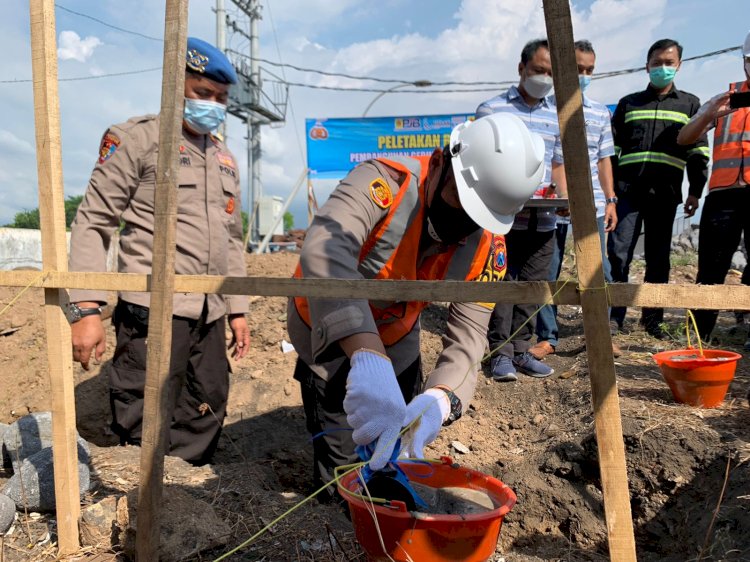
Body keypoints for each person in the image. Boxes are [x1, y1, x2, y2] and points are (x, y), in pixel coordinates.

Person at [288, 112, 545, 501]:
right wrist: (366, 356)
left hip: (398, 335)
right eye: (459, 199)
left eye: (477, 215)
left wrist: (443, 395)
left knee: (394, 454)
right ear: (441, 162)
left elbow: (470, 332)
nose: (462, 220)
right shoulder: (383, 183)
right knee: (344, 467)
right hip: (327, 325)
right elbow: (325, 249)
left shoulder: (488, 244)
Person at [68, 37, 250, 466]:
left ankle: (186, 495)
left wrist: (238, 307)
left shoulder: (223, 157)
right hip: (152, 308)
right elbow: (93, 222)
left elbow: (232, 239)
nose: (212, 105)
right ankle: (143, 501)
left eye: (221, 98)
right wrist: (86, 309)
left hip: (209, 311)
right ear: (175, 86)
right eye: (203, 94)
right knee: (145, 408)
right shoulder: (136, 139)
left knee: (207, 402)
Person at [476, 39, 566, 381]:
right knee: (503, 281)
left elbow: (557, 166)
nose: (543, 78)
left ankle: (521, 350)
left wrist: (563, 196)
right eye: (538, 70)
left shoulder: (557, 115)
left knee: (532, 285)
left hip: (543, 218)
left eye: (550, 73)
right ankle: (499, 353)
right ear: (521, 68)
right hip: (501, 219)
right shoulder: (491, 110)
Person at [607, 38, 709, 339]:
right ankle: (615, 318)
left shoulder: (690, 104)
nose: (662, 68)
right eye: (657, 63)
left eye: (669, 63)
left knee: (658, 258)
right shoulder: (629, 104)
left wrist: (695, 191)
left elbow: (699, 151)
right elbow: (611, 153)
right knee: (618, 255)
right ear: (647, 66)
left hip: (665, 194)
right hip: (628, 193)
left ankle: (653, 320)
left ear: (678, 66)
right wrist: (611, 194)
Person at [531, 40, 619, 359]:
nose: (583, 74)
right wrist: (561, 196)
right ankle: (547, 337)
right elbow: (549, 160)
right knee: (548, 270)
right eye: (578, 68)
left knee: (599, 271)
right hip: (551, 206)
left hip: (592, 204)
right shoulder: (542, 110)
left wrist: (610, 200)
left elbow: (604, 159)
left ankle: (600, 333)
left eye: (589, 70)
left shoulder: (598, 113)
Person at [677, 30, 750, 348]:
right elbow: (684, 137)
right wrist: (708, 114)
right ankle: (699, 336)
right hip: (723, 196)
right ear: (746, 63)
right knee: (710, 267)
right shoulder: (726, 98)